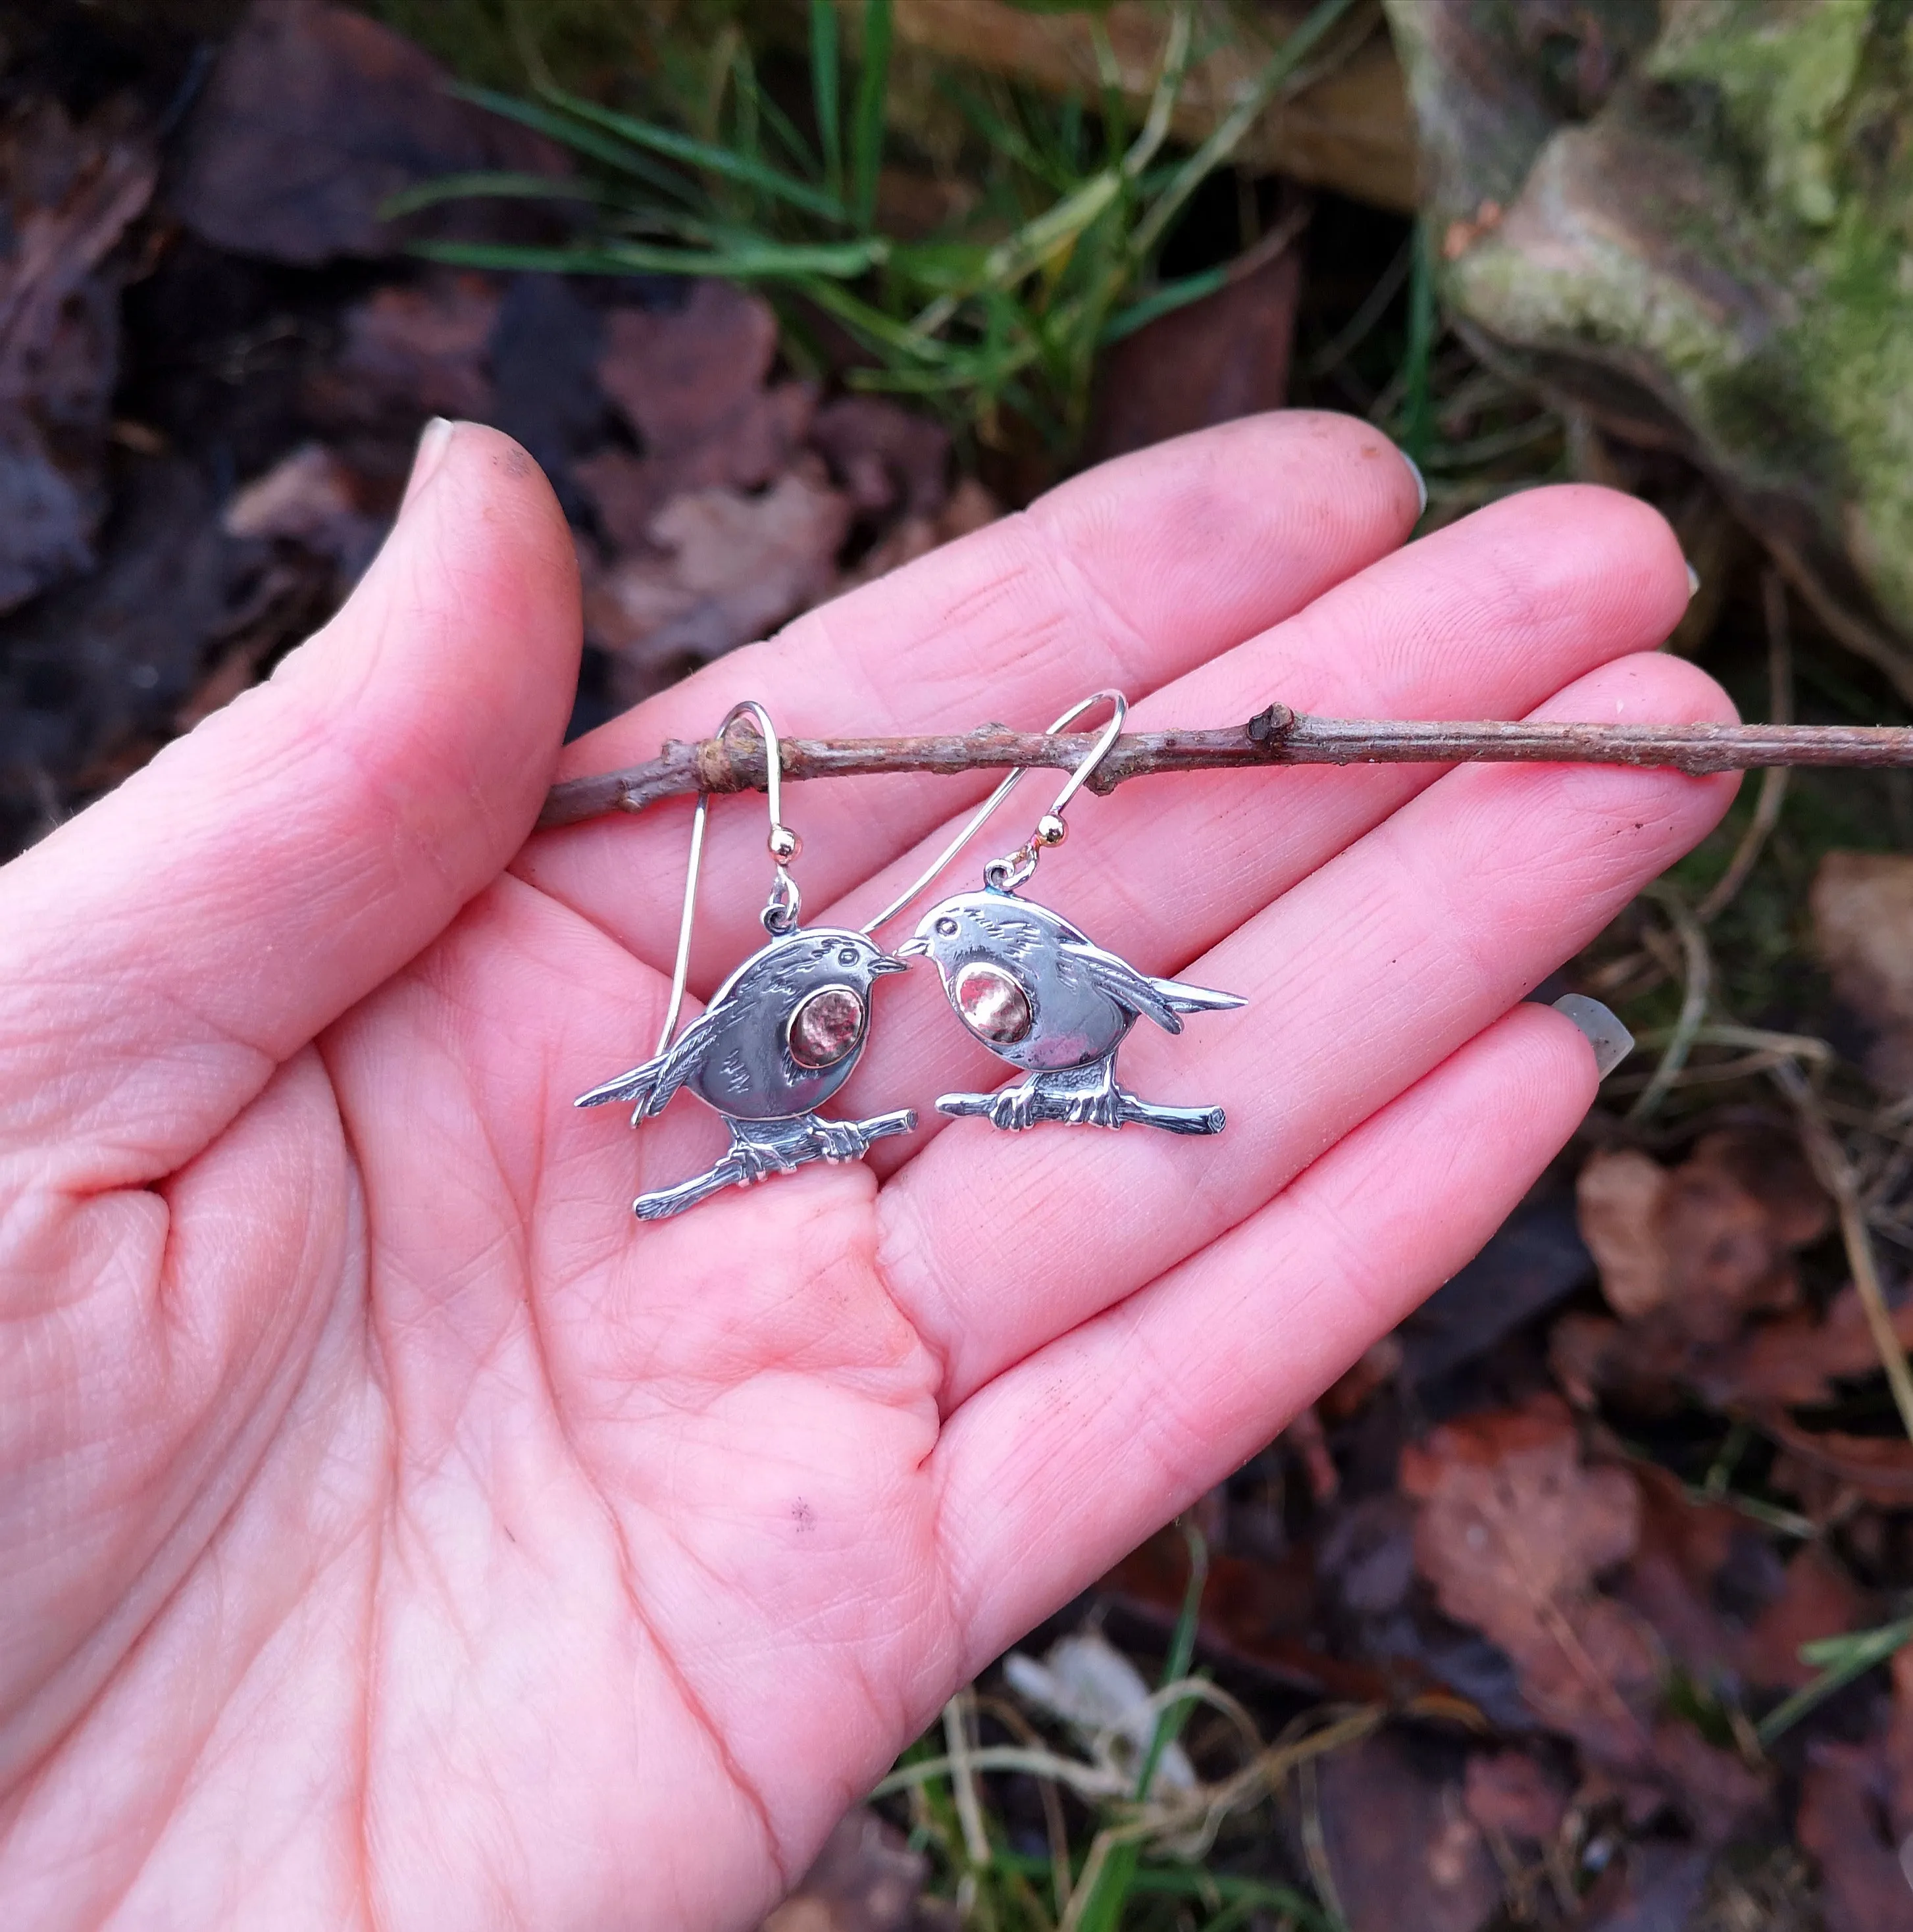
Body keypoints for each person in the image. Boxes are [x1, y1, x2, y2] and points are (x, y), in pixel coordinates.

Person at [0, 415, 1731, 1926]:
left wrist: (1062, 1053)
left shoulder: (984, 983)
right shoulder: (777, 1006)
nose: (930, 1017)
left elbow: (1105, 1004)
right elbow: (705, 1070)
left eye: (955, 1002)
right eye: (919, 1001)